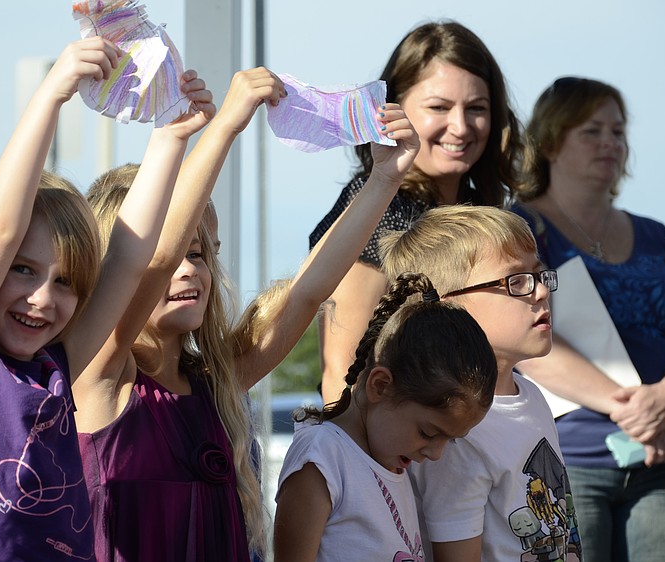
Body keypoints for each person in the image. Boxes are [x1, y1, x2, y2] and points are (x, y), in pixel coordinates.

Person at [74, 67, 420, 561]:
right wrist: (224, 127)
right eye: (178, 254)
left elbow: (307, 293)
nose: (188, 270)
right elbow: (155, 258)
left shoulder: (217, 383)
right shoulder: (97, 374)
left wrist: (384, 178)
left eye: (201, 255)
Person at [0, 37, 212, 560]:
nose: (41, 298)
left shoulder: (58, 364)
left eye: (64, 282)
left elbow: (128, 258)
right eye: (22, 270)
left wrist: (170, 138)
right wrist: (52, 94)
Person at [512, 77, 665, 562]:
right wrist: (637, 413)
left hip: (662, 460)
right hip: (567, 463)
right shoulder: (520, 229)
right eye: (592, 131)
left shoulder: (658, 236)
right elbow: (525, 342)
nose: (610, 142)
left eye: (618, 132)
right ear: (550, 142)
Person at [310, 20, 522, 404]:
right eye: (439, 107)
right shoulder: (377, 208)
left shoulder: (486, 212)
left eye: (477, 108)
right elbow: (340, 372)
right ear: (392, 110)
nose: (460, 127)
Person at [380, 205, 581, 561]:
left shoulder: (532, 395)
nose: (540, 292)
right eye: (516, 281)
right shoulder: (452, 432)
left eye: (539, 275)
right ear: (449, 305)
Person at [273, 272, 498, 562]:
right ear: (380, 385)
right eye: (428, 433)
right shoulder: (322, 458)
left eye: (450, 440)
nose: (435, 454)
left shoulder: (390, 462)